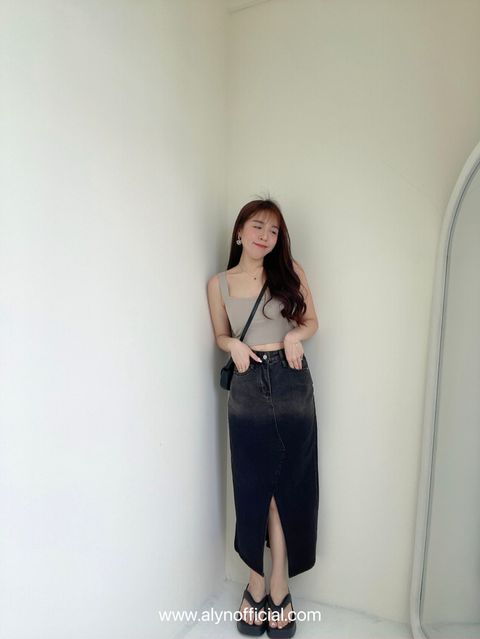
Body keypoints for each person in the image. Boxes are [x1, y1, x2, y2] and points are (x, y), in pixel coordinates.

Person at [207, 198, 319, 638]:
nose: (265, 236)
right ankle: (257, 579)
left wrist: (294, 335)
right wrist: (232, 345)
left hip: (292, 381)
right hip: (248, 383)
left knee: (289, 483)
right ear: (239, 232)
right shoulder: (219, 284)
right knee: (254, 485)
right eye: (258, 226)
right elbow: (220, 333)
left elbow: (311, 322)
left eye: (273, 231)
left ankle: (277, 584)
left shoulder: (290, 271)